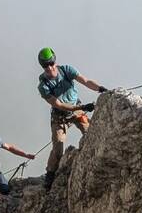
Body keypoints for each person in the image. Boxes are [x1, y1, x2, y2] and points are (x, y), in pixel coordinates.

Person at [36, 47, 108, 188]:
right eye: (45, 66)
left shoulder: (66, 70)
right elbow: (59, 105)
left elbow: (85, 81)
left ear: (55, 61)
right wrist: (82, 108)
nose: (49, 68)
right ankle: (50, 175)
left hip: (77, 110)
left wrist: (100, 89)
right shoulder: (43, 86)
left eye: (51, 63)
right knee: (58, 150)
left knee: (91, 134)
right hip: (60, 116)